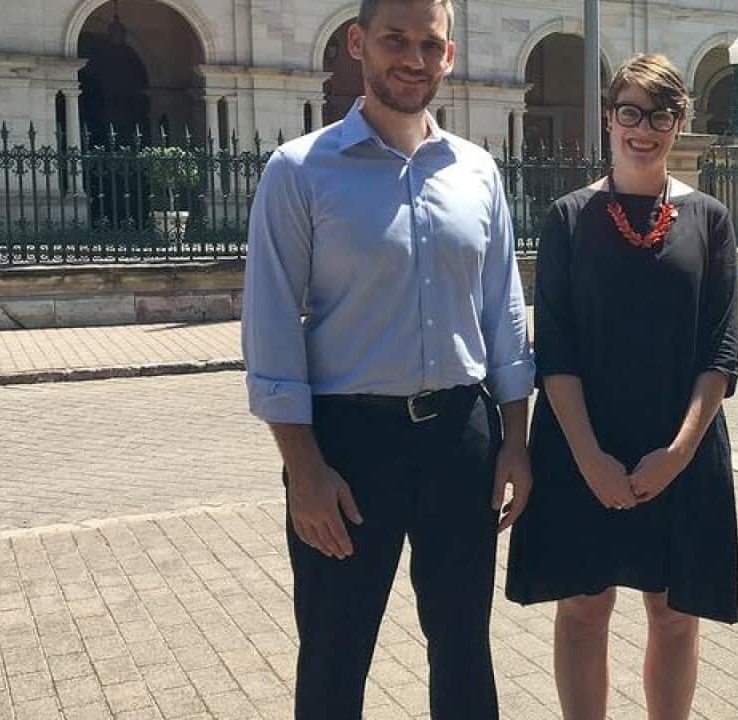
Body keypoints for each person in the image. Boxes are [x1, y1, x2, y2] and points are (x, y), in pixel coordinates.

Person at [240, 0, 534, 717]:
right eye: (394, 40)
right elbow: (271, 327)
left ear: (450, 55)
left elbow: (504, 313)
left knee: (464, 648)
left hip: (461, 438)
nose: (412, 59)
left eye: (430, 45)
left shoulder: (477, 172)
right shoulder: (300, 171)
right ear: (357, 42)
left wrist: (516, 441)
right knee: (335, 654)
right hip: (347, 449)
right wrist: (304, 469)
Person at [505, 53, 738, 720]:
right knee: (584, 608)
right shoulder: (568, 216)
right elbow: (555, 349)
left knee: (673, 614)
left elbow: (719, 352)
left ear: (680, 122)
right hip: (584, 440)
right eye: (631, 112)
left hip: (678, 445)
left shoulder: (710, 220)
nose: (645, 129)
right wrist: (588, 458)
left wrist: (678, 454)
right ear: (609, 117)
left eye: (661, 115)